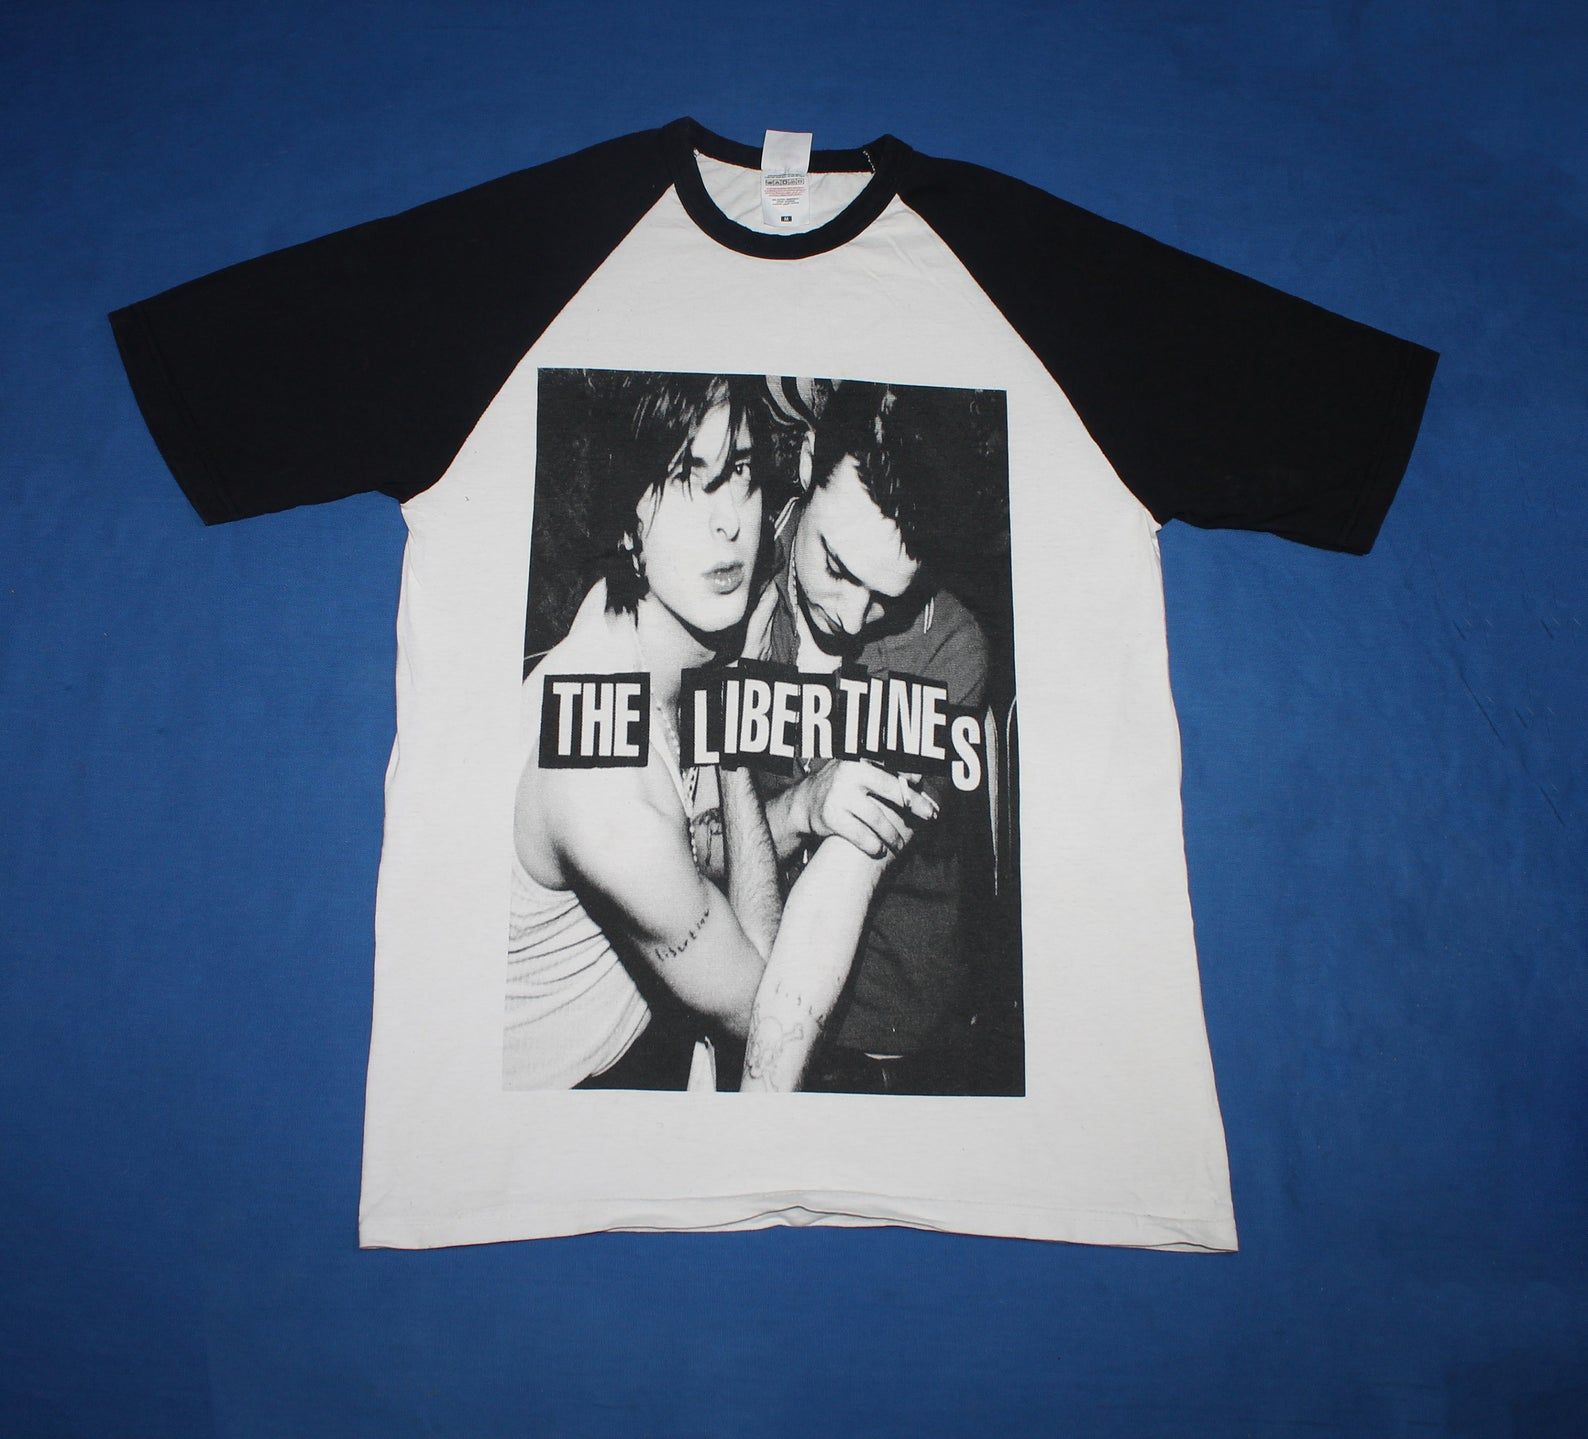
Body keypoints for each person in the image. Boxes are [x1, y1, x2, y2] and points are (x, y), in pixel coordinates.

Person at [505, 372, 900, 1092]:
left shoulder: (637, 622)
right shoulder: (605, 787)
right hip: (569, 1098)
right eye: (688, 478)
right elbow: (762, 1014)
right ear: (627, 519)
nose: (729, 523)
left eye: (740, 473)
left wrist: (802, 809)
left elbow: (691, 850)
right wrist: (733, 724)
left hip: (643, 1032)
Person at [753, 379, 995, 1094]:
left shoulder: (949, 646)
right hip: (730, 994)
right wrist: (800, 808)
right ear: (807, 461)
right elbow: (681, 846)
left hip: (886, 1053)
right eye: (836, 567)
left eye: (890, 597)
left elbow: (842, 878)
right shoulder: (726, 579)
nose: (853, 618)